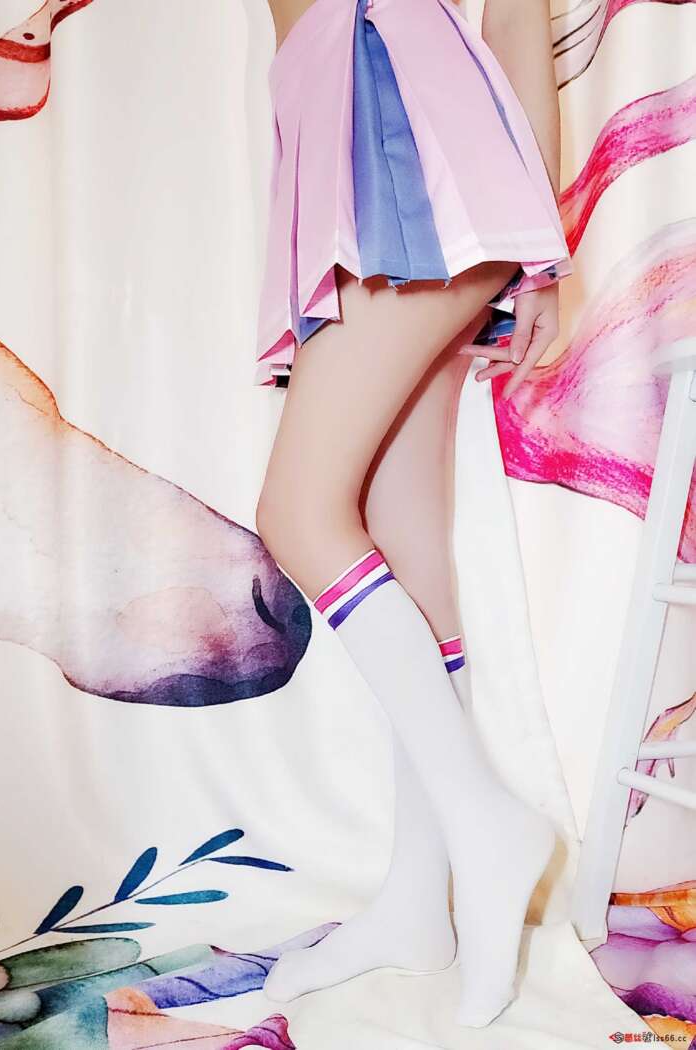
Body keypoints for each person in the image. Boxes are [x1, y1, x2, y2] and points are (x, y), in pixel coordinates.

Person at [254, 0, 572, 1028]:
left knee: (299, 514)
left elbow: (513, 11)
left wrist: (539, 246)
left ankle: (486, 826)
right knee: (405, 541)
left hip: (400, 131)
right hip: (350, 136)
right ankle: (415, 902)